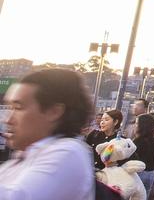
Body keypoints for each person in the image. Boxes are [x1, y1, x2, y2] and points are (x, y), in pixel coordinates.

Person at [0, 68, 96, 199]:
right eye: (9, 108)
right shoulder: (23, 157)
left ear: (54, 112)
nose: (8, 119)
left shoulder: (68, 152)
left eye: (18, 108)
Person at [132, 113, 154, 200]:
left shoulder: (137, 141)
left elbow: (132, 160)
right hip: (150, 174)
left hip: (139, 174)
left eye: (137, 123)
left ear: (142, 126)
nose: (135, 126)